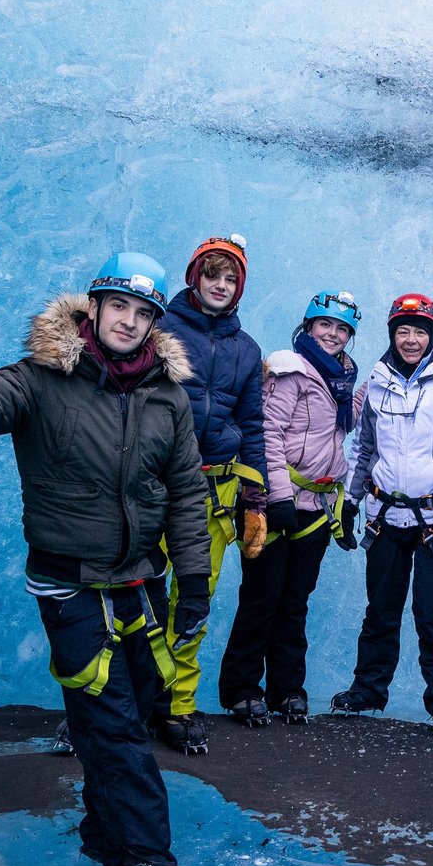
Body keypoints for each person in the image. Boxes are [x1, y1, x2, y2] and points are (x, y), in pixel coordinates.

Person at [0, 253, 208, 866]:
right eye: (120, 307)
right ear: (93, 309)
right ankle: (146, 862)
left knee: (127, 714)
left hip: (141, 584)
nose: (130, 321)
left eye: (143, 312)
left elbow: (188, 490)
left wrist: (194, 580)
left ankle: (106, 839)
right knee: (114, 725)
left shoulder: (166, 395)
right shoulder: (45, 378)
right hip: (71, 586)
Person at [332, 293, 433, 737]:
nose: (411, 339)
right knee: (380, 609)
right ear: (392, 334)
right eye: (403, 330)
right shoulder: (376, 382)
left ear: (432, 335)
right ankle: (368, 690)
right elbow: (364, 450)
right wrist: (350, 500)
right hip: (384, 515)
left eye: (420, 331)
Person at [147, 234, 268, 754]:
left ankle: (177, 707)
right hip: (154, 486)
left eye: (230, 279)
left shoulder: (247, 350)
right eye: (212, 275)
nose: (220, 286)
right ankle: (117, 706)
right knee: (136, 601)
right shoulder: (158, 330)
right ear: (193, 276)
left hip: (215, 494)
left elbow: (253, 424)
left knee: (191, 603)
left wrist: (256, 500)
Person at [218, 291, 363, 727]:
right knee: (261, 599)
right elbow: (267, 434)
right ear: (308, 327)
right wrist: (277, 497)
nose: (333, 335)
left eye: (342, 330)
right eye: (325, 326)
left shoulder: (340, 378)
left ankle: (287, 691)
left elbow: (343, 426)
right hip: (276, 504)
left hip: (316, 506)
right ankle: (243, 690)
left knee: (295, 602)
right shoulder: (289, 371)